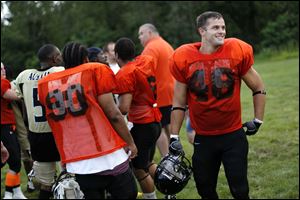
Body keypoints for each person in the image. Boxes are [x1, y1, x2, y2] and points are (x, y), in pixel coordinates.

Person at [169, 11, 266, 199]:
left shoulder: (236, 49)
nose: (221, 31)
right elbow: (179, 102)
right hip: (203, 138)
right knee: (205, 190)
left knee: (240, 190)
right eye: (216, 27)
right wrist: (174, 135)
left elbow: (258, 87)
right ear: (202, 31)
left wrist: (258, 119)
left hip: (233, 135)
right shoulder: (183, 57)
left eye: (223, 27)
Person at [37, 42, 138, 199]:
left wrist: (65, 157)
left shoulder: (48, 84)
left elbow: (55, 124)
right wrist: (130, 142)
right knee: (128, 194)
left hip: (79, 160)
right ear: (85, 59)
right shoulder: (94, 71)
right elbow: (114, 114)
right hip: (107, 154)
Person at [113, 37, 162, 199]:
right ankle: (170, 191)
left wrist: (111, 112)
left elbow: (124, 107)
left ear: (117, 55)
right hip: (155, 119)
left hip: (143, 124)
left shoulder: (126, 73)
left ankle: (151, 197)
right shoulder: (145, 61)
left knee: (139, 168)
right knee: (147, 162)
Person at [15, 44, 65, 199]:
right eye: (59, 54)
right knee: (70, 179)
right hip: (58, 132)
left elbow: (19, 100)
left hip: (36, 134)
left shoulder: (23, 76)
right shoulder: (59, 71)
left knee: (46, 184)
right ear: (54, 58)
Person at [138, 23, 175, 157]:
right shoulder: (167, 45)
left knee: (158, 130)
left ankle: (167, 159)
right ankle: (175, 156)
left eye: (141, 34)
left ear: (149, 32)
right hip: (171, 93)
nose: (139, 38)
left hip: (158, 96)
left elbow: (143, 73)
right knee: (170, 129)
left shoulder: (151, 48)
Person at [5, 65, 35, 192]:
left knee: (25, 156)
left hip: (20, 126)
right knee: (26, 155)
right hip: (20, 126)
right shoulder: (9, 87)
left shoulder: (11, 86)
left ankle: (31, 181)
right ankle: (32, 180)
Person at [1, 62, 27, 199]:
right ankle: (8, 193)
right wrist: (24, 92)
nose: (3, 71)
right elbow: (14, 96)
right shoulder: (2, 83)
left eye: (4, 68)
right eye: (0, 69)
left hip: (6, 126)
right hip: (5, 126)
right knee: (15, 161)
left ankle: (16, 191)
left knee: (13, 160)